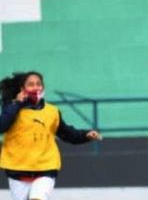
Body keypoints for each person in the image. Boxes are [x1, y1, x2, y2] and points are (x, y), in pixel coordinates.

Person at [0, 71, 102, 200]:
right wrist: (17, 104)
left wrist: (86, 135)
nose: (35, 87)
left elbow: (67, 133)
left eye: (38, 84)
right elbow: (2, 126)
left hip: (46, 167)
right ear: (22, 89)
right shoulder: (12, 108)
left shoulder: (52, 111)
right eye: (30, 84)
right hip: (18, 169)